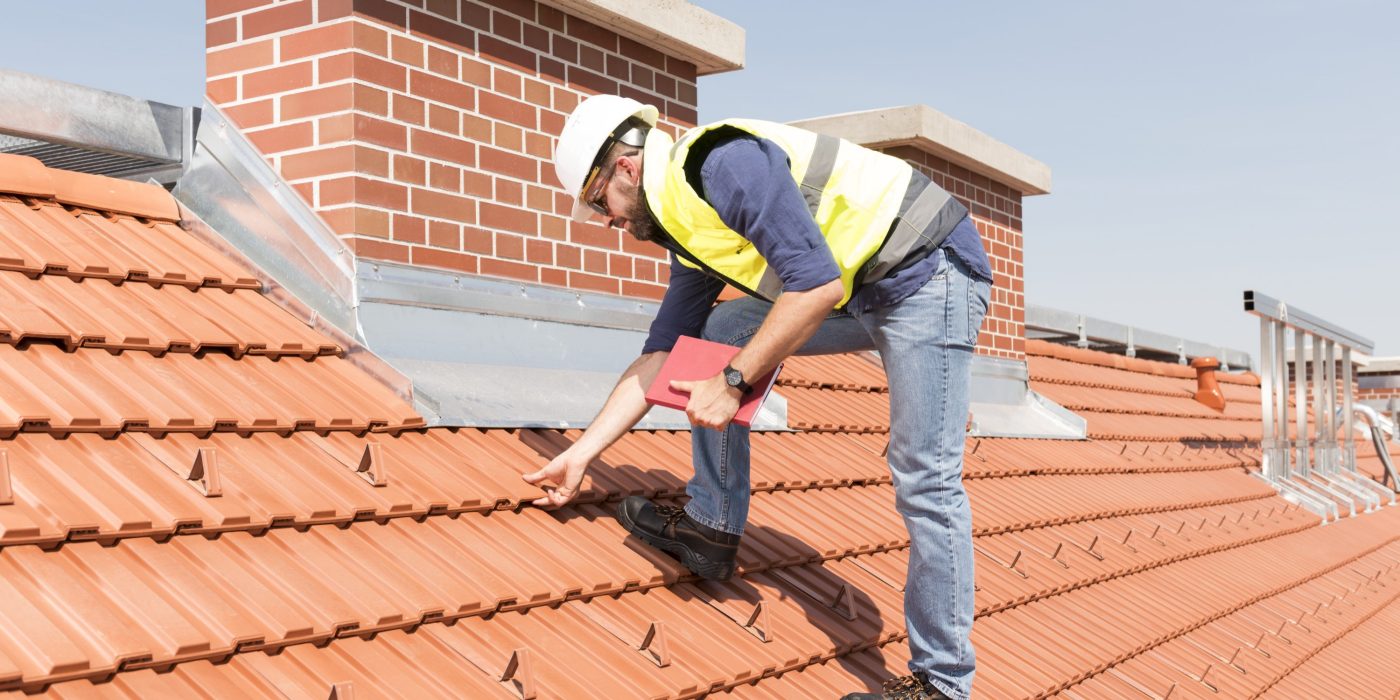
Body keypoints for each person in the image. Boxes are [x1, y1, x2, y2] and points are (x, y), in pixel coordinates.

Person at [524, 95, 992, 700]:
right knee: (717, 333)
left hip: (928, 272)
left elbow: (815, 285)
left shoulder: (722, 164)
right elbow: (662, 352)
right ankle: (711, 527)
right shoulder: (687, 224)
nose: (608, 222)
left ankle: (945, 683)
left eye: (599, 203)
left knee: (925, 474)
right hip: (858, 290)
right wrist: (583, 452)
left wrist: (734, 382)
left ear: (626, 170)